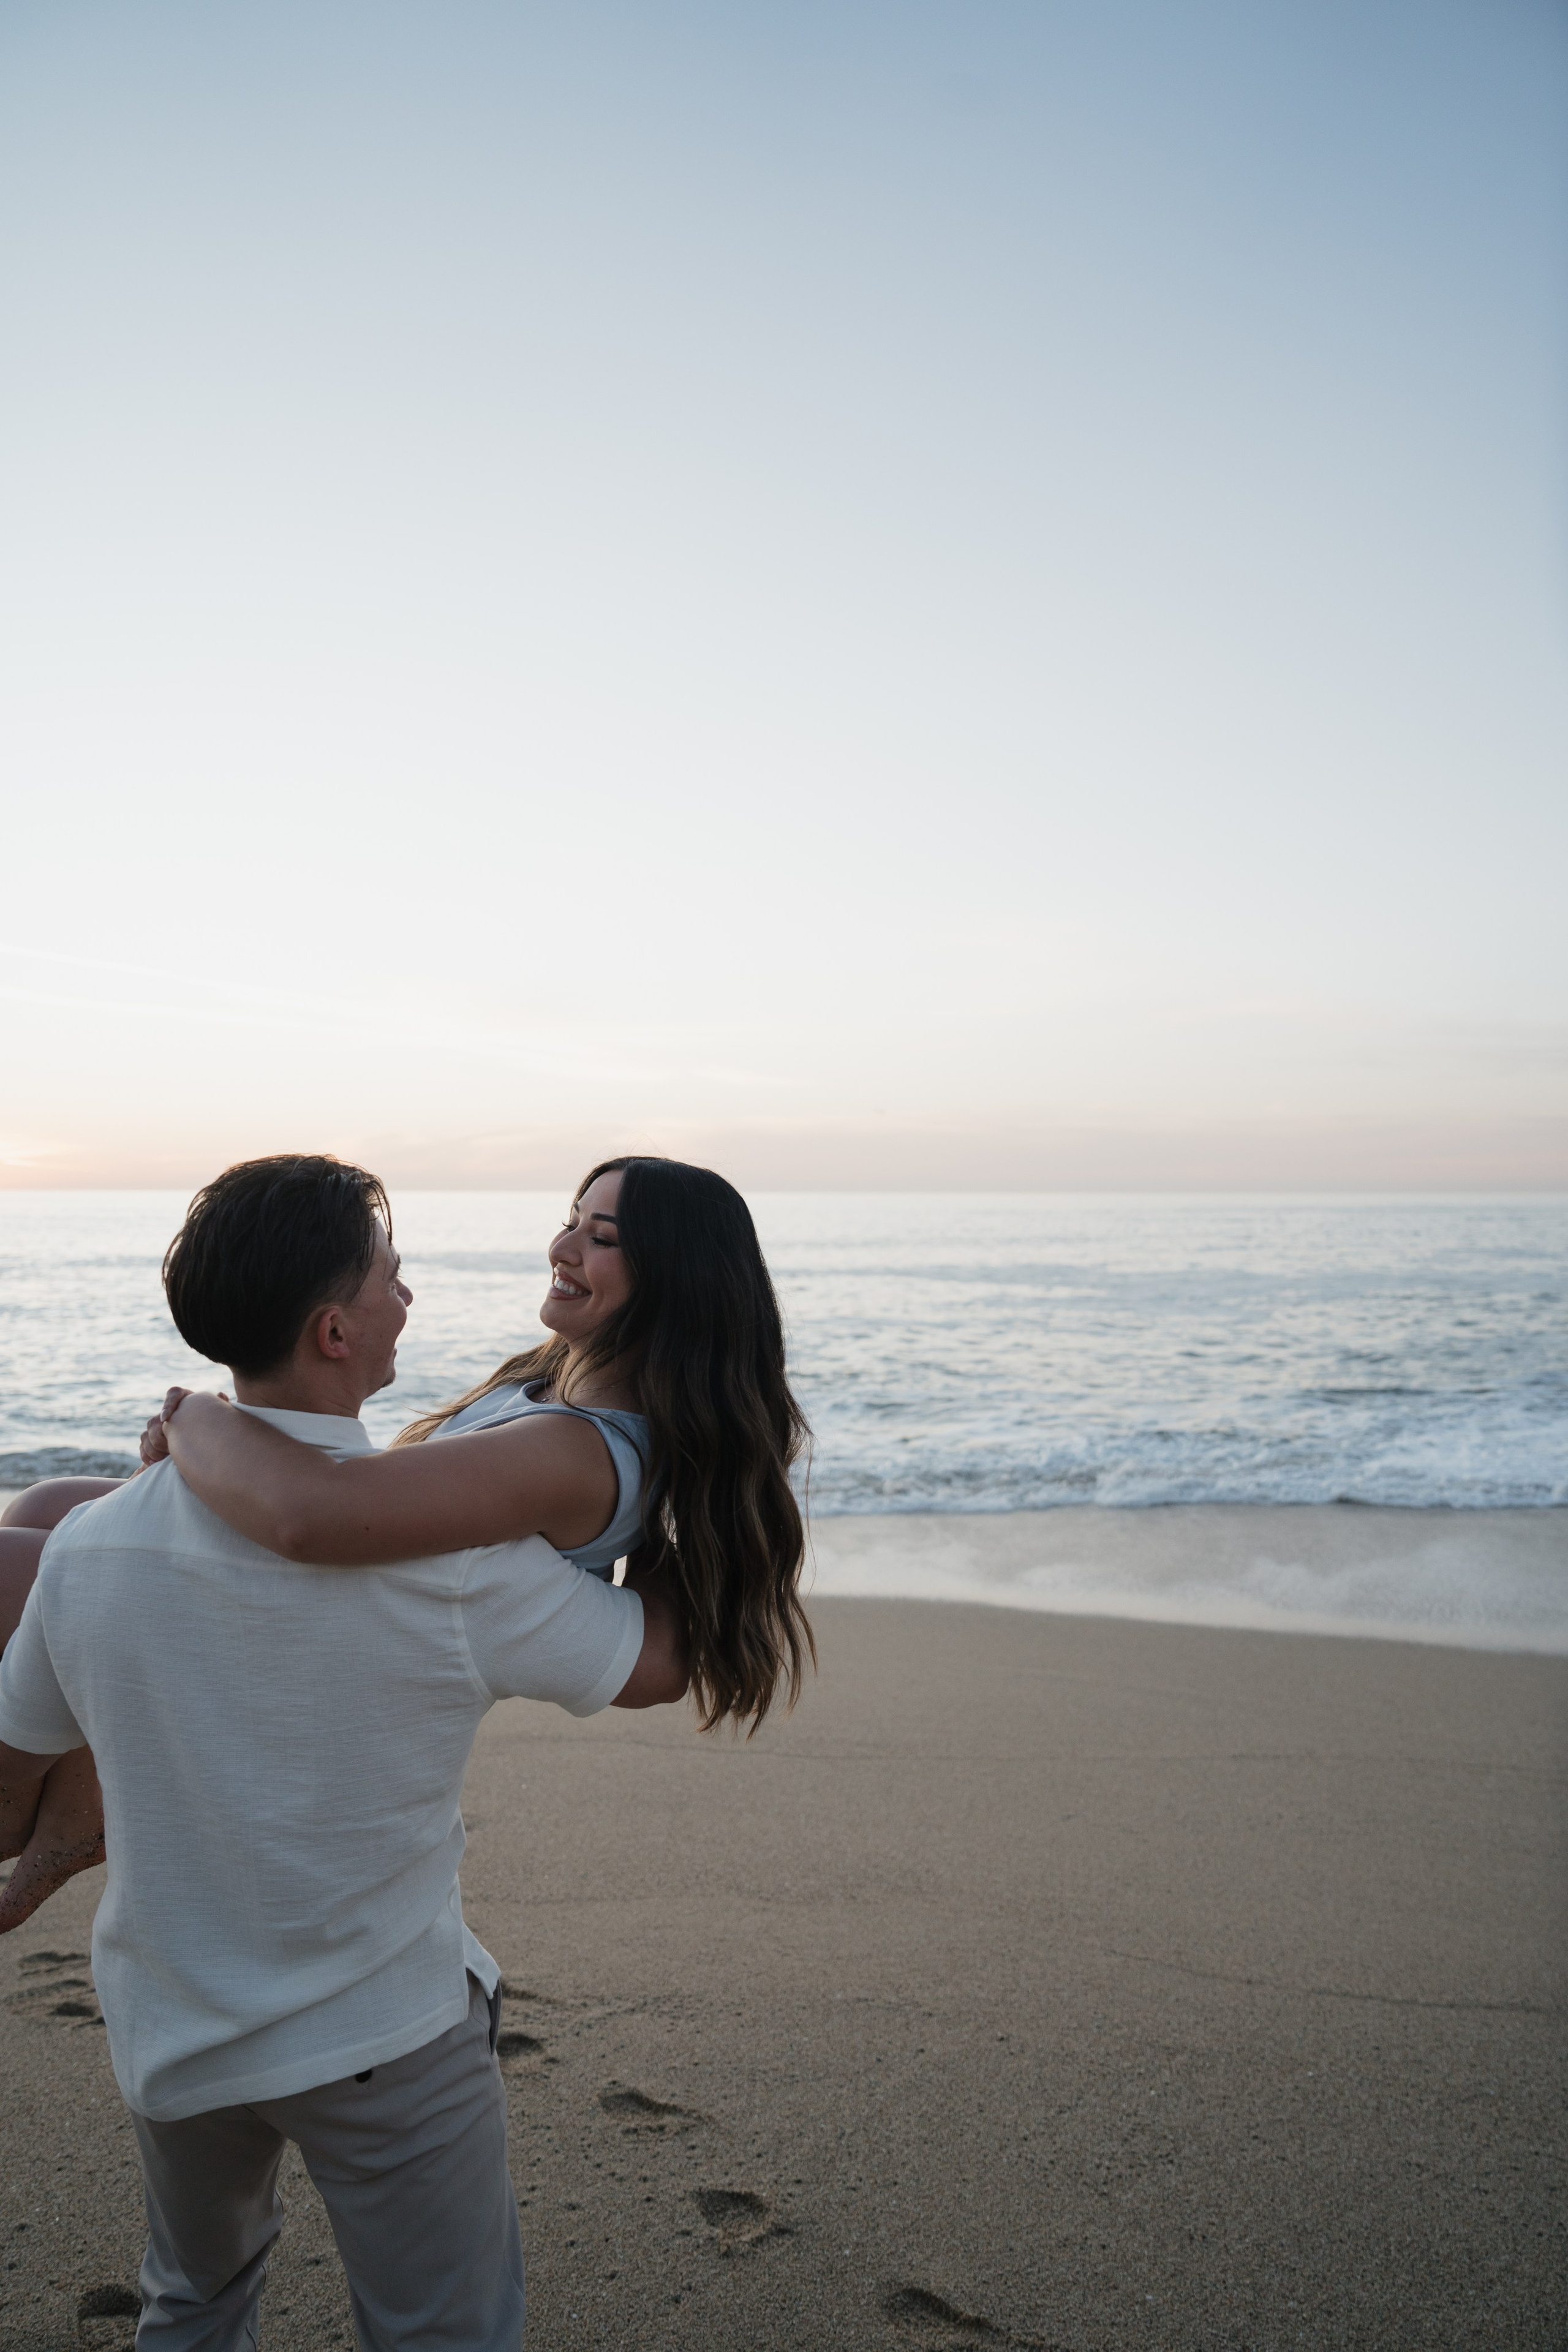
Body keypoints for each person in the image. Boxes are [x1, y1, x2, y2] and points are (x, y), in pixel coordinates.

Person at [0, 1153, 688, 2352]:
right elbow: (648, 1665)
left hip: (170, 2021)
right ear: (333, 1330)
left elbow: (15, 1752)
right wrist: (727, 1518)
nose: (409, 1300)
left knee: (189, 2305)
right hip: (379, 2034)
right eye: (391, 1279)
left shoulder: (95, 1548)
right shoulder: (465, 1563)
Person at [1, 1149, 814, 1923]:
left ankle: (33, 1805)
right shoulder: (558, 1381)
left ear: (674, 1284)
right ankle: (81, 1796)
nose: (561, 1246)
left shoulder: (580, 1451)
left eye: (601, 1239)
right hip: (356, 1551)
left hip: (360, 1609)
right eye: (573, 1218)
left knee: (33, 1562)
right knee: (46, 1505)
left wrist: (193, 1419)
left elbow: (312, 1512)